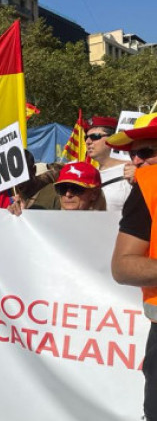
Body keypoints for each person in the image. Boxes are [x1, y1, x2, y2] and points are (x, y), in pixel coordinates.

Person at [107, 112, 157, 420]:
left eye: (145, 152)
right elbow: (123, 266)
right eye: (132, 154)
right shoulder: (148, 187)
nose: (136, 161)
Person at [85, 116, 131, 212]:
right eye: (86, 137)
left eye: (95, 137)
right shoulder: (89, 174)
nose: (88, 142)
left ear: (113, 138)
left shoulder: (132, 171)